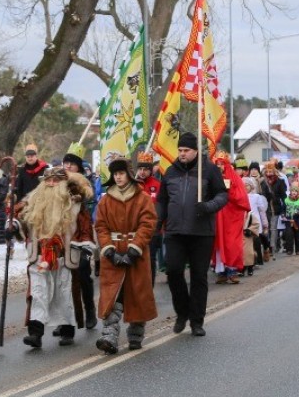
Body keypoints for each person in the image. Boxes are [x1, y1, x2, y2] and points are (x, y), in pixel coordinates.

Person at [158, 132, 228, 337]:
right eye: (180, 150)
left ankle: (197, 321)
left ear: (195, 151)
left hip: (201, 233)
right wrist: (157, 221)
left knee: (199, 277)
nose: (182, 154)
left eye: (186, 150)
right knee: (173, 271)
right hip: (175, 231)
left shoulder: (209, 170)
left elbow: (223, 195)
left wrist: (208, 206)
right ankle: (182, 312)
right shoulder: (170, 172)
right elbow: (162, 200)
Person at [19, 166, 93, 348]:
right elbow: (19, 218)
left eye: (55, 181)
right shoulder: (33, 201)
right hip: (39, 255)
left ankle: (67, 330)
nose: (51, 184)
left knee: (63, 294)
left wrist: (85, 246)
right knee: (38, 293)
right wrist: (13, 225)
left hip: (63, 256)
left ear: (63, 183)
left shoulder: (74, 204)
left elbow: (85, 227)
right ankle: (35, 333)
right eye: (48, 180)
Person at [94, 158, 158, 354]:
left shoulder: (142, 198)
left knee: (137, 293)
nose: (118, 177)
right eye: (115, 174)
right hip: (112, 252)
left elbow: (148, 223)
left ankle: (136, 334)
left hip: (136, 254)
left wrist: (134, 248)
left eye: (121, 173)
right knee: (113, 294)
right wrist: (108, 250)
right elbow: (101, 225)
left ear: (129, 174)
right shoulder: (106, 200)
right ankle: (109, 335)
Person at [61, 143, 98, 329]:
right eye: (66, 163)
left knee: (83, 270)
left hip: (80, 230)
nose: (68, 166)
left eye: (72, 164)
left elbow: (88, 193)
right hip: (61, 232)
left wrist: (76, 192)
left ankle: (90, 309)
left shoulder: (83, 180)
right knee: (62, 277)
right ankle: (65, 319)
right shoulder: (56, 179)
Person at [212, 151, 251, 284]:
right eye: (217, 163)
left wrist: (228, 190)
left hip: (232, 216)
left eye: (222, 164)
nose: (219, 166)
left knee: (232, 243)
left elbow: (241, 197)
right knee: (218, 243)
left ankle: (232, 271)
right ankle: (221, 272)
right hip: (217, 215)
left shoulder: (234, 178)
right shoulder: (212, 177)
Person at [135, 151, 163, 281]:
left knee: (150, 259)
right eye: (140, 169)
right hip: (135, 229)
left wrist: (159, 226)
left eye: (145, 169)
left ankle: (149, 289)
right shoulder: (133, 185)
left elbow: (161, 206)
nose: (142, 172)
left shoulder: (157, 185)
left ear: (150, 170)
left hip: (153, 230)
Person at [242, 177, 268, 273]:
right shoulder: (241, 196)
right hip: (244, 222)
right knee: (247, 246)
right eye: (243, 185)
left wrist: (265, 224)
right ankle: (249, 263)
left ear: (251, 186)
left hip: (255, 222)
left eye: (247, 185)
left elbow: (262, 211)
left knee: (256, 243)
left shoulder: (256, 197)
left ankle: (258, 260)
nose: (245, 187)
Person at [282, 183, 299, 255]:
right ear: (290, 192)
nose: (294, 193)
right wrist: (283, 214)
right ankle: (289, 250)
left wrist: (297, 213)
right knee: (289, 236)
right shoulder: (286, 201)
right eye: (292, 191)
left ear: (298, 192)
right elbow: (283, 209)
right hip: (288, 221)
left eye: (295, 191)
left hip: (298, 221)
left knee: (298, 236)